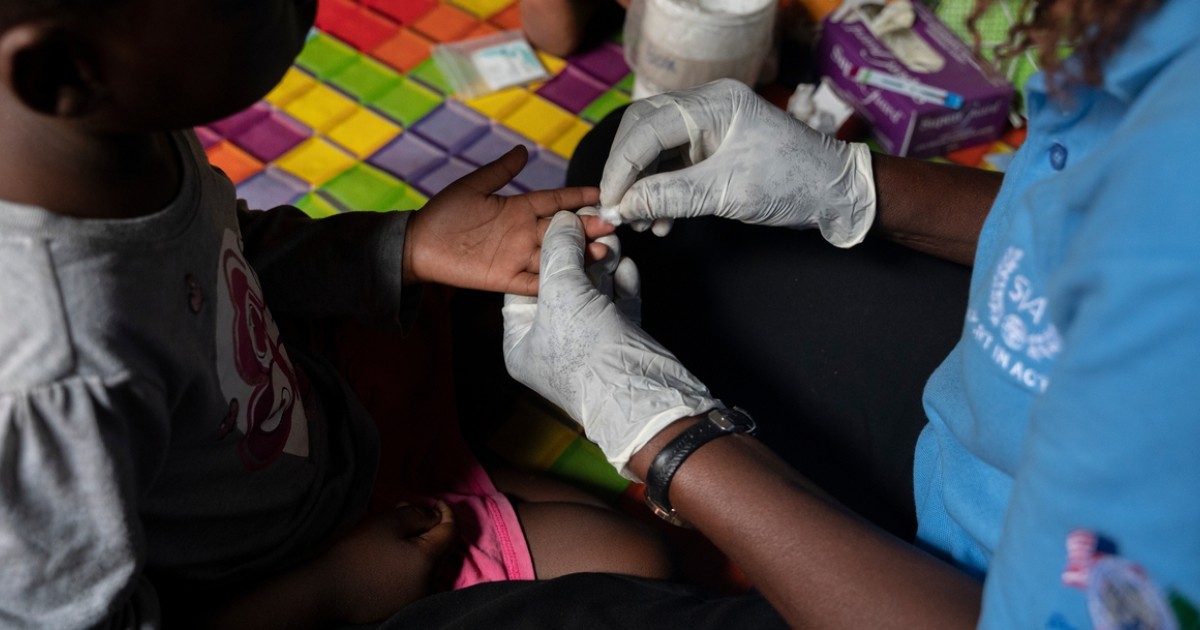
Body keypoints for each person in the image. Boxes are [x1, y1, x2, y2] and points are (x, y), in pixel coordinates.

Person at [391, 0, 1200, 628]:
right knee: (645, 175)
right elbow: (1078, 211)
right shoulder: (1155, 40)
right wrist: (854, 185)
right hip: (995, 431)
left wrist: (662, 434)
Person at [0, 0, 672, 627]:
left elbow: (221, 249)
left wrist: (407, 247)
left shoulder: (116, 124)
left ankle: (455, 470)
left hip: (307, 411)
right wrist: (333, 589)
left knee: (510, 292)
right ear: (62, 72)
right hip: (282, 570)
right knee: (634, 564)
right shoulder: (49, 375)